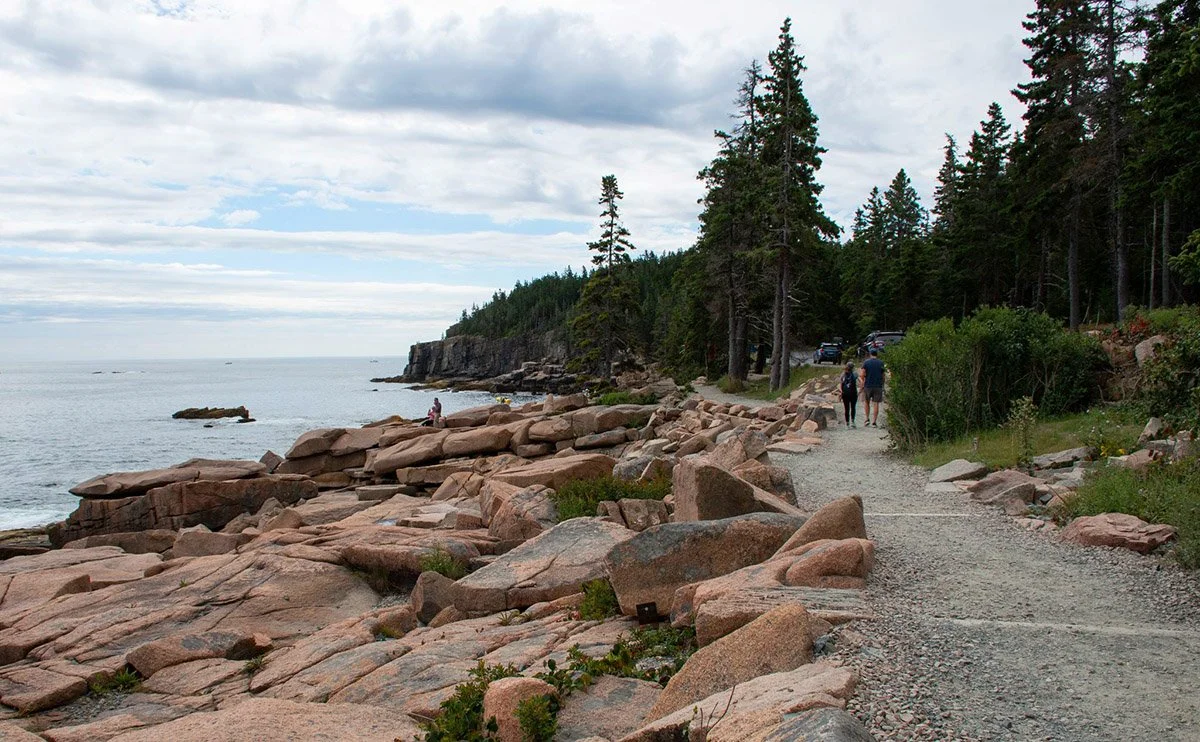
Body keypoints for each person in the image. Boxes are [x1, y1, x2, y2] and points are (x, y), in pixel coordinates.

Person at [861, 349, 885, 427]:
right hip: (878, 385)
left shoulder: (866, 362)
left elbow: (862, 373)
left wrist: (863, 381)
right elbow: (883, 375)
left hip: (868, 385)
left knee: (867, 402)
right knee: (876, 403)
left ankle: (867, 419)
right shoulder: (881, 363)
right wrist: (882, 383)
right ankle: (874, 421)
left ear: (870, 354)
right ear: (876, 354)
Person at [839, 361, 859, 427]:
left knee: (846, 408)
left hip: (845, 393)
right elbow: (860, 381)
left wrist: (841, 391)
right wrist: (860, 390)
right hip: (853, 393)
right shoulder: (855, 373)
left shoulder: (843, 374)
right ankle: (853, 421)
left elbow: (841, 384)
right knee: (853, 407)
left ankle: (847, 423)